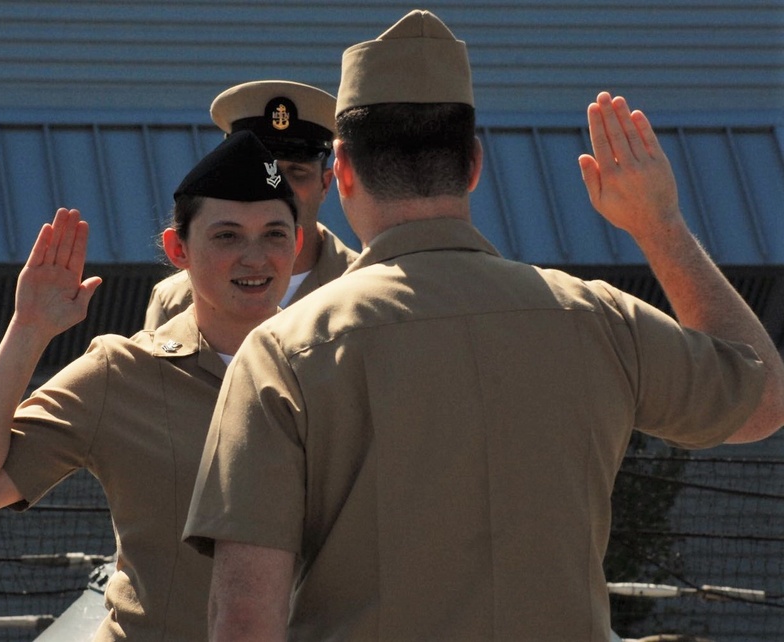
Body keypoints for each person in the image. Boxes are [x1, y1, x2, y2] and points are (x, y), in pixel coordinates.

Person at [182, 10, 784, 642]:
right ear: (473, 164)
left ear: (345, 170)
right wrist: (659, 225)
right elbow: (764, 399)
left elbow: (245, 618)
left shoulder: (283, 351)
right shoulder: (597, 318)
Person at [0, 131, 303, 641]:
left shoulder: (333, 364)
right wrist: (28, 330)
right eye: (227, 236)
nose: (255, 257)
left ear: (298, 243)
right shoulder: (121, 372)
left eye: (274, 235)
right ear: (178, 249)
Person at [143, 80, 358, 329]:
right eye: (265, 172)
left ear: (325, 183)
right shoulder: (176, 299)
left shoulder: (363, 285)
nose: (277, 186)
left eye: (297, 172)